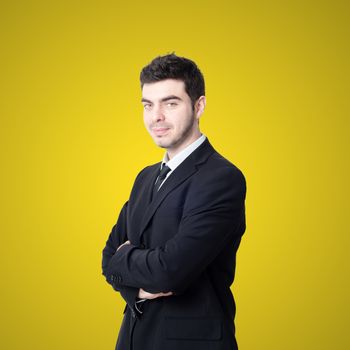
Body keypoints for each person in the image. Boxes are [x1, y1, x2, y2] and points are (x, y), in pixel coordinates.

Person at [102, 53, 246, 350]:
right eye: (148, 105)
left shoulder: (221, 178)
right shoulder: (145, 178)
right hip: (132, 341)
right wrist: (139, 289)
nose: (156, 116)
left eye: (170, 103)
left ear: (199, 105)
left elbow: (170, 271)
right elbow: (107, 259)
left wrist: (126, 262)